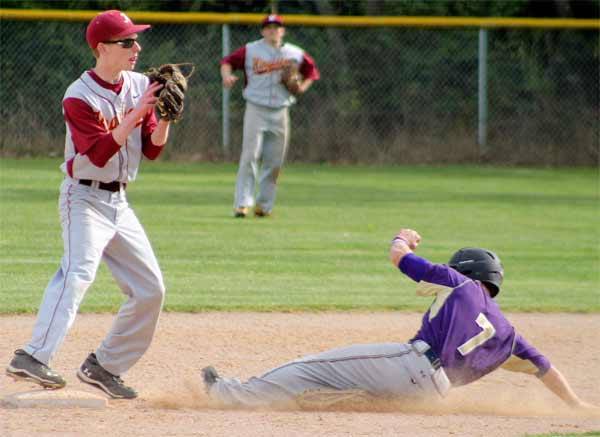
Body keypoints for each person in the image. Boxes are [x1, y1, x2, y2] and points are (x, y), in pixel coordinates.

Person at [200, 228, 598, 411]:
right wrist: (576, 404)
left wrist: (403, 237)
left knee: (311, 366)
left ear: (468, 270)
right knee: (345, 384)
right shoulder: (509, 335)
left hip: (413, 366)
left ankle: (227, 394)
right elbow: (545, 369)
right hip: (432, 396)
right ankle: (331, 402)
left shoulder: (459, 282)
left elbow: (399, 258)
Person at [5, 10, 175, 399]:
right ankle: (32, 356)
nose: (137, 48)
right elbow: (98, 153)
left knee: (150, 289)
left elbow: (150, 149)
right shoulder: (78, 96)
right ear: (102, 49)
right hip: (83, 197)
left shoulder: (138, 83)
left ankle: (104, 366)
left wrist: (165, 118)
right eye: (127, 42)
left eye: (136, 40)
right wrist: (139, 111)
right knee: (78, 272)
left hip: (120, 201)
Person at [220, 14, 320, 218]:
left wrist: (301, 87)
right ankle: (242, 204)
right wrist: (227, 76)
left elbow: (312, 72)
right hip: (255, 108)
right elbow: (227, 61)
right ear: (262, 31)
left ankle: (264, 206)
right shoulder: (251, 50)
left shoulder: (295, 53)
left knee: (275, 161)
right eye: (269, 27)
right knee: (250, 155)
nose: (273, 30)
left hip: (281, 110)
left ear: (283, 31)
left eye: (277, 27)